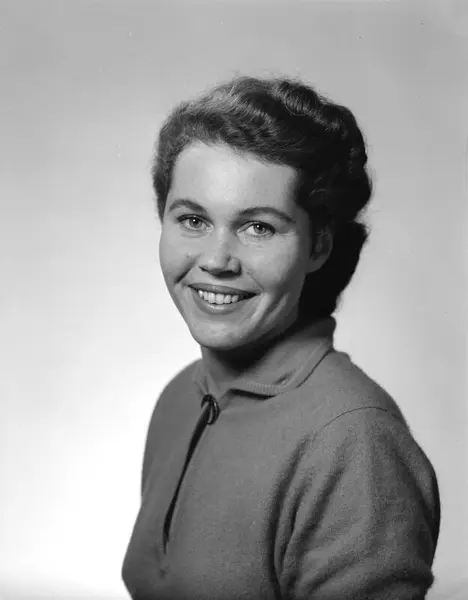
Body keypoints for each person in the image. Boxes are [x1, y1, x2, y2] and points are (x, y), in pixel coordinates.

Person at [122, 76, 440, 600]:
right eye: (193, 219)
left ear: (318, 246)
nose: (216, 260)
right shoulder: (181, 398)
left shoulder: (354, 441)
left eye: (259, 228)